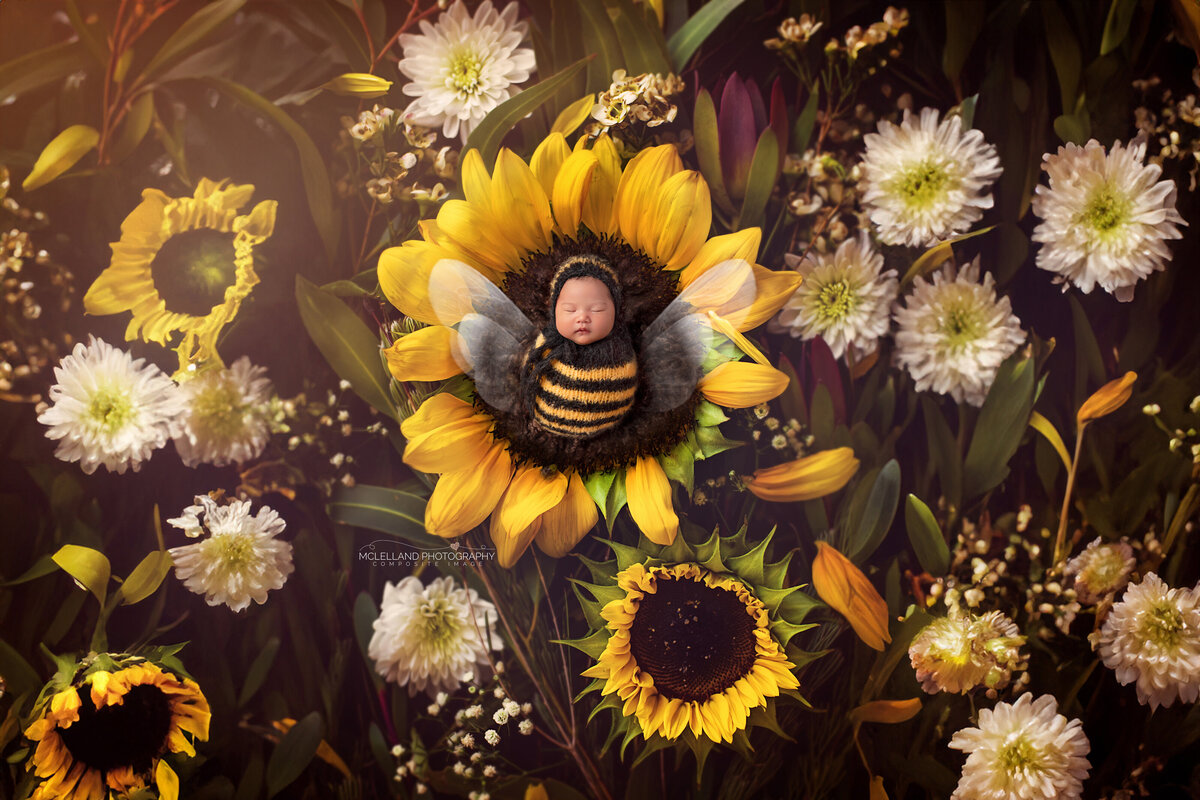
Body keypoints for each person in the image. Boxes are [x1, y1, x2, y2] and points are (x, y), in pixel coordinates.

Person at [523, 256, 638, 438]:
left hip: (607, 433)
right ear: (554, 311)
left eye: (597, 309)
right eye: (570, 310)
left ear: (615, 312)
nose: (582, 317)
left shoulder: (619, 353)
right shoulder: (546, 345)